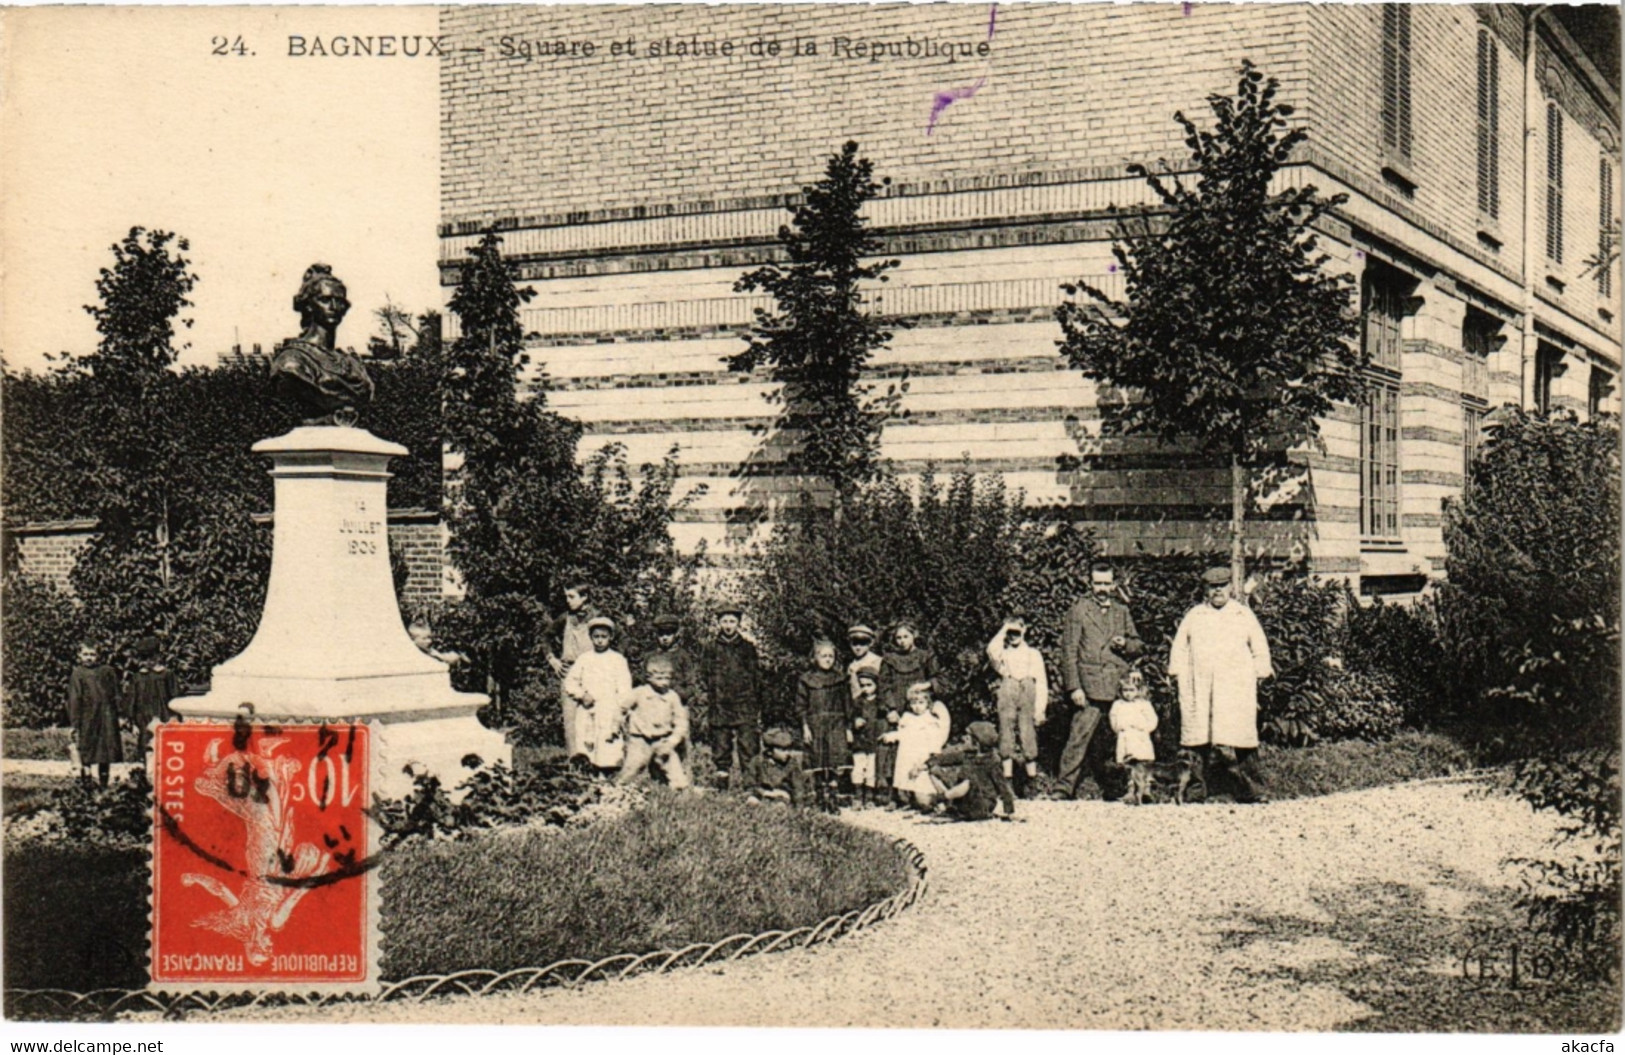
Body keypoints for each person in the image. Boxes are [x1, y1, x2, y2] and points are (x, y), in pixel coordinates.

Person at [1169, 566, 1274, 804]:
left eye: (1222, 586)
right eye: (1212, 587)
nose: (1217, 591)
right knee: (1199, 737)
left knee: (1242, 737)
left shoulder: (1242, 614)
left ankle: (1253, 790)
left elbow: (1259, 645)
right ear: (1205, 589)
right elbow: (1179, 648)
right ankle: (1202, 790)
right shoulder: (1195, 616)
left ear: (1230, 587)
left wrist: (1260, 671)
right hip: (1200, 685)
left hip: (1235, 686)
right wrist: (1177, 674)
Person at [1059, 561, 1143, 799]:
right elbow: (1068, 651)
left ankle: (1127, 787)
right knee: (1078, 737)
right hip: (1090, 685)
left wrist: (1125, 644)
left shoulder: (1121, 611)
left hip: (1118, 685)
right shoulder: (1079, 610)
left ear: (1114, 584)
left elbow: (1138, 645)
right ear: (1090, 583)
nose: (1102, 588)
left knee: (1126, 736)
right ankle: (1064, 787)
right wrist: (1074, 686)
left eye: (1107, 583)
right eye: (1097, 583)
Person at [269, 264, 375, 425]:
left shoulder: (353, 364)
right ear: (308, 305)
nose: (334, 307)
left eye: (339, 301)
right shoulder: (292, 361)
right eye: (325, 300)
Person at [877, 621, 942, 796]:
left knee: (918, 748)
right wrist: (890, 709)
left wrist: (925, 686)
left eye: (906, 636)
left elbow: (939, 679)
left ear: (914, 636)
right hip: (897, 709)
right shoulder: (889, 659)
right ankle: (893, 793)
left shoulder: (925, 656)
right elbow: (884, 685)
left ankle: (919, 789)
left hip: (919, 706)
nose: (902, 641)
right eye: (898, 638)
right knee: (894, 750)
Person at [701, 603, 764, 778]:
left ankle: (750, 785)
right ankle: (722, 783)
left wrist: (754, 701)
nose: (728, 626)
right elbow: (705, 674)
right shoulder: (711, 648)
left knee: (748, 744)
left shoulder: (747, 648)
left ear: (738, 624)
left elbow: (755, 677)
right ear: (719, 623)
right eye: (725, 621)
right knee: (721, 744)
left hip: (744, 704)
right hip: (720, 704)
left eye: (732, 621)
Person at [985, 616, 1049, 789]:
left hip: (1028, 693)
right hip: (1008, 691)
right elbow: (991, 651)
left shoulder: (1033, 654)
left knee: (1027, 734)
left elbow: (1041, 682)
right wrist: (1004, 629)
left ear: (1024, 630)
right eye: (1010, 633)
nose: (1013, 636)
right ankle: (1007, 782)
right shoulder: (1004, 655)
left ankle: (1032, 782)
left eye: (1017, 632)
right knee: (1006, 733)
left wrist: (1040, 709)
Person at [562, 616, 632, 771]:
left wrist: (620, 712)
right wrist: (582, 694)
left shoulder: (618, 660)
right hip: (588, 709)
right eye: (596, 637)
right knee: (588, 745)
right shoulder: (584, 659)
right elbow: (570, 682)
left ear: (611, 637)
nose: (600, 641)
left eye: (604, 637)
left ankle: (608, 776)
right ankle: (589, 776)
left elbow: (624, 689)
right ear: (591, 637)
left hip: (609, 709)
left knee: (608, 747)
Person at [617, 655, 691, 790]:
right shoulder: (640, 692)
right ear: (649, 677)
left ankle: (681, 792)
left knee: (674, 769)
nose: (664, 682)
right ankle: (618, 791)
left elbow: (681, 721)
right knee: (632, 767)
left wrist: (672, 741)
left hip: (663, 739)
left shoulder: (672, 696)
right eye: (659, 678)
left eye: (667, 678)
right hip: (639, 740)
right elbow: (622, 707)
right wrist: (617, 724)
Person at [797, 639, 851, 812]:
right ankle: (821, 795)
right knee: (818, 759)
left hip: (836, 723)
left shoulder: (841, 679)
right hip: (815, 723)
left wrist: (848, 727)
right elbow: (800, 706)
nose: (828, 659)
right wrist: (805, 726)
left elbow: (847, 704)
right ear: (815, 658)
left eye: (831, 656)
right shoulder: (806, 679)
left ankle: (833, 796)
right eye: (823, 656)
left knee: (835, 759)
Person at [547, 578, 598, 759]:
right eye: (566, 596)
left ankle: (596, 764)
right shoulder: (564, 618)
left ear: (584, 597)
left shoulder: (597, 618)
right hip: (568, 672)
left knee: (593, 718)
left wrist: (609, 662)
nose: (568, 600)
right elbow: (546, 636)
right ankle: (574, 766)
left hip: (592, 673)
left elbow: (621, 638)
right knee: (570, 722)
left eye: (571, 596)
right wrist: (552, 659)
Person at [927, 721, 1017, 821]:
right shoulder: (967, 755)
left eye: (968, 737)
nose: (964, 738)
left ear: (977, 743)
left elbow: (1003, 787)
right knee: (934, 771)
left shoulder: (992, 762)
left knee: (969, 781)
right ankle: (950, 807)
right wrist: (926, 764)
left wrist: (1009, 811)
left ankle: (939, 799)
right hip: (964, 798)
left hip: (982, 803)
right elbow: (945, 759)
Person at [883, 681, 951, 809]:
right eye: (913, 703)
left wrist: (933, 751)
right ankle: (909, 800)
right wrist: (890, 736)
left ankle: (933, 801)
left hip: (920, 755)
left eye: (921, 703)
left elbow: (934, 738)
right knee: (905, 777)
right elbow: (902, 733)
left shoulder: (929, 719)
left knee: (921, 780)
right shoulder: (908, 717)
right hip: (907, 753)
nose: (917, 707)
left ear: (928, 703)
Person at [68, 643, 122, 787]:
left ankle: (104, 782)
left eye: (92, 655)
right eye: (86, 654)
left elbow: (116, 693)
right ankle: (87, 781)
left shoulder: (107, 671)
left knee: (105, 750)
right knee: (87, 748)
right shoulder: (78, 673)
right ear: (79, 656)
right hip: (87, 717)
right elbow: (75, 698)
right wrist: (74, 722)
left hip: (106, 716)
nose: (89, 658)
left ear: (98, 656)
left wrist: (121, 714)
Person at [1109, 669, 1159, 805]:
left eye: (1131, 690)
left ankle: (1146, 790)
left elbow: (1153, 720)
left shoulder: (1144, 704)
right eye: (1125, 690)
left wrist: (1145, 729)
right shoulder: (1118, 705)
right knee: (1129, 766)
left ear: (1138, 690)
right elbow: (1113, 720)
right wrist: (1119, 728)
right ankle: (1131, 790)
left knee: (1143, 764)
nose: (1128, 694)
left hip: (1140, 738)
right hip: (1126, 738)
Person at [123, 634, 177, 758]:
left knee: (165, 747)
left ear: (158, 656)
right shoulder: (138, 677)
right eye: (144, 658)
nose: (148, 661)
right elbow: (132, 699)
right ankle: (147, 773)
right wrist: (132, 722)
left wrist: (175, 717)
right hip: (144, 717)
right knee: (146, 746)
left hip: (164, 716)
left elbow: (175, 697)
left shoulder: (166, 675)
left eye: (152, 657)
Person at [741, 728, 812, 807]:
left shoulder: (791, 764)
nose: (787, 753)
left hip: (781, 797)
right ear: (770, 751)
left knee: (780, 806)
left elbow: (798, 789)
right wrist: (767, 793)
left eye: (788, 749)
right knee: (752, 800)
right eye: (782, 750)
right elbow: (749, 784)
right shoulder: (757, 761)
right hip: (761, 794)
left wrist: (799, 807)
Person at [848, 667, 883, 807]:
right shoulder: (857, 702)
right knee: (858, 768)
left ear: (876, 685)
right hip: (860, 741)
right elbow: (850, 717)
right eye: (862, 685)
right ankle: (857, 796)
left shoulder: (880, 702)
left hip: (874, 739)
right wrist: (855, 722)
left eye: (869, 685)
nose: (866, 689)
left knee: (871, 770)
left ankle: (869, 797)